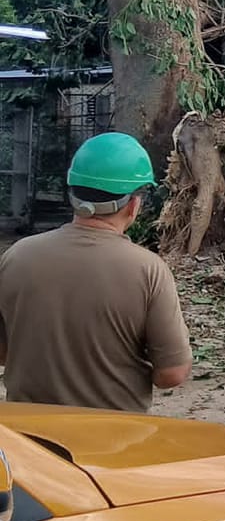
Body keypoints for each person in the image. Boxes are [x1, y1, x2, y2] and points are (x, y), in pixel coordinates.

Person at [0, 132, 193, 412]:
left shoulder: (16, 256)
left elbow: (3, 353)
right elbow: (172, 374)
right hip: (113, 442)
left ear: (72, 195)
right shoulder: (149, 271)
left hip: (29, 441)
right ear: (133, 204)